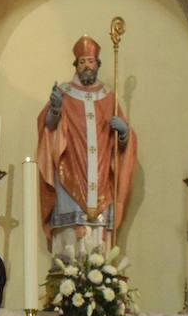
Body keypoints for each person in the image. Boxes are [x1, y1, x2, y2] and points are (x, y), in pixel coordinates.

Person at [34, 35, 138, 254]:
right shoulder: (63, 92)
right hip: (69, 172)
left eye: (91, 61)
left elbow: (123, 146)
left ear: (97, 64)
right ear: (76, 65)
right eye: (82, 62)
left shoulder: (109, 97)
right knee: (70, 240)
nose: (86, 66)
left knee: (98, 242)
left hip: (101, 179)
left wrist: (124, 133)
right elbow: (48, 129)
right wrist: (55, 109)